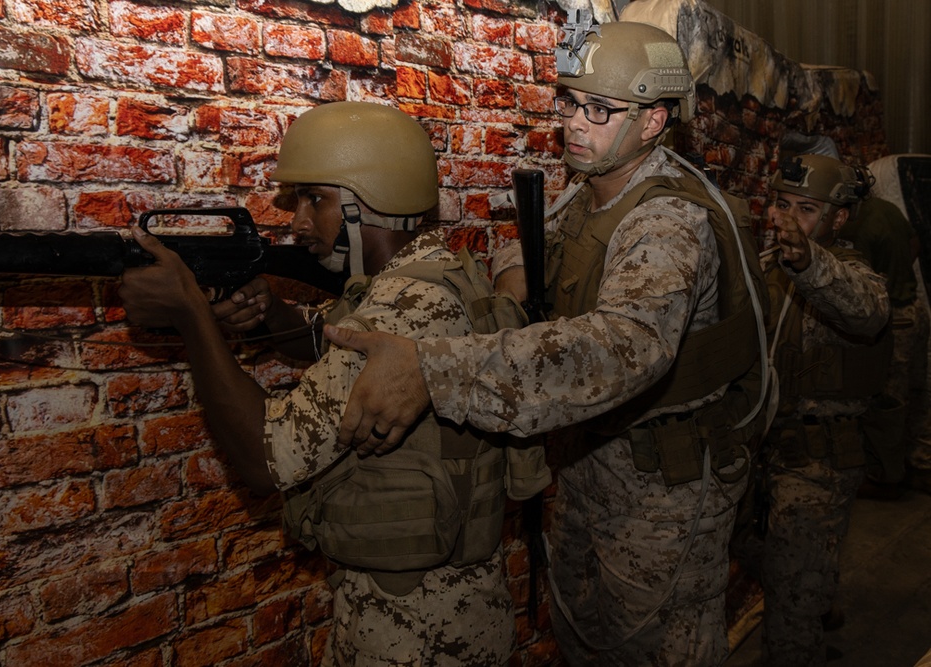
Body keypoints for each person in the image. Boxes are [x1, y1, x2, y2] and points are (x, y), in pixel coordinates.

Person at [325, 18, 770, 666]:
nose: (576, 123)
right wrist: (512, 270)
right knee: (585, 628)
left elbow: (621, 347)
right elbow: (547, 258)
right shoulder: (588, 195)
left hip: (665, 481)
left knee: (661, 644)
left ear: (653, 122)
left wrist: (435, 369)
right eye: (569, 102)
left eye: (600, 108)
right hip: (591, 456)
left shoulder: (669, 221)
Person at [119, 101, 545, 666]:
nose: (297, 222)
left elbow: (263, 458)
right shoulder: (438, 272)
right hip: (462, 607)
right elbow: (344, 347)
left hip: (410, 633)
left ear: (370, 200)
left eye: (314, 199)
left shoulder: (398, 307)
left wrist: (190, 314)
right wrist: (274, 317)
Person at [759, 153, 890, 666]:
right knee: (775, 571)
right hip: (762, 455)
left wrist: (808, 261)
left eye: (806, 209)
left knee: (790, 620)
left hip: (818, 466)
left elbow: (868, 310)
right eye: (783, 204)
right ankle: (814, 595)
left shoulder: (850, 272)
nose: (788, 219)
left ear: (838, 217)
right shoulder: (767, 269)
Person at [838, 167, 921, 498]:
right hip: (914, 306)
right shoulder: (889, 209)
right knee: (913, 393)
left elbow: (859, 281)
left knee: (885, 401)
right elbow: (914, 243)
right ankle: (916, 464)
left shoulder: (856, 223)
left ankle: (886, 476)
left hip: (893, 317)